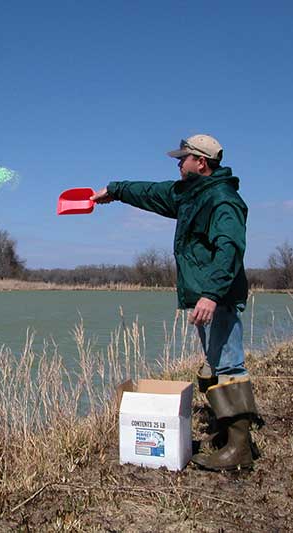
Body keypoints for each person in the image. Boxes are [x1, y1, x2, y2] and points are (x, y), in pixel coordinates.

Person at [90, 134, 262, 471]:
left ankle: (240, 450)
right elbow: (152, 192)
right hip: (205, 296)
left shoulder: (223, 200)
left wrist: (211, 294)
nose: (177, 163)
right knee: (214, 364)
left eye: (182, 158)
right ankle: (228, 435)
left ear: (201, 161)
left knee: (228, 366)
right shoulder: (191, 195)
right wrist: (114, 191)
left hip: (218, 297)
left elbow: (229, 249)